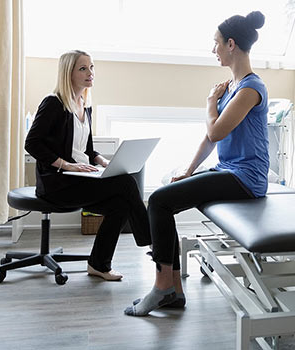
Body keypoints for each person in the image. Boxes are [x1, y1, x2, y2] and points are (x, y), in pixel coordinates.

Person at [125, 11, 268, 316]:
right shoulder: (231, 87)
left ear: (231, 44)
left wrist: (209, 104)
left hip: (247, 177)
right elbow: (210, 138)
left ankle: (163, 287)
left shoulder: (250, 89)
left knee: (159, 202)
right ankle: (173, 289)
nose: (213, 49)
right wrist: (188, 171)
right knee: (167, 193)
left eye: (215, 43)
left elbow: (216, 129)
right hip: (229, 171)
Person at [25, 50, 151, 281]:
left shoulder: (85, 105)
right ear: (68, 73)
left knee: (120, 205)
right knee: (125, 183)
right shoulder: (54, 103)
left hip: (81, 178)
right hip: (58, 183)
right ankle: (153, 243)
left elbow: (88, 150)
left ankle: (98, 264)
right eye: (83, 68)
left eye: (92, 67)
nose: (90, 73)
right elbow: (31, 143)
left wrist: (105, 162)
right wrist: (66, 165)